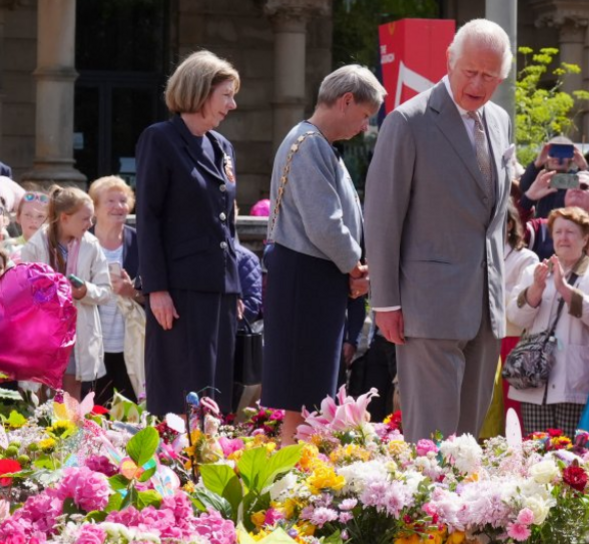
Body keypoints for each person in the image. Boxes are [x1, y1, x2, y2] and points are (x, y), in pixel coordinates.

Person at [365, 19, 513, 442]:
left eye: (490, 76)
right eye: (471, 71)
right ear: (449, 61)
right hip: (426, 307)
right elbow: (382, 216)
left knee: (468, 443)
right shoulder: (407, 122)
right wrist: (386, 303)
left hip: (485, 307)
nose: (478, 83)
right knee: (430, 442)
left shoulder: (499, 120)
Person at [263, 64, 384, 444]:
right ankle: (290, 484)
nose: (364, 126)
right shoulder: (310, 143)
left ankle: (299, 481)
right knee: (304, 400)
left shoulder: (315, 144)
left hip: (312, 277)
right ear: (346, 101)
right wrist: (355, 266)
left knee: (314, 395)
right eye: (364, 115)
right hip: (307, 278)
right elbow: (325, 222)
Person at [135, 50, 241, 417]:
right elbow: (148, 218)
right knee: (181, 386)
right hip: (179, 289)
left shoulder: (221, 146)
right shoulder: (160, 139)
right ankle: (174, 468)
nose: (233, 104)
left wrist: (236, 285)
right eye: (226, 94)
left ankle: (210, 463)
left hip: (221, 289)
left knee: (216, 390)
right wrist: (157, 288)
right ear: (200, 91)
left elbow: (229, 222)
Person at [506, 207, 589, 435]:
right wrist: (535, 289)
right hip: (533, 380)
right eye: (558, 232)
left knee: (572, 456)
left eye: (570, 232)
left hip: (573, 381)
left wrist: (564, 288)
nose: (563, 238)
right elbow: (514, 316)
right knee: (536, 454)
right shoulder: (536, 270)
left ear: (585, 238)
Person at [20, 186, 112, 398]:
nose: (90, 224)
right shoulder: (35, 245)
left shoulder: (91, 245)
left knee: (71, 395)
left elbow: (106, 291)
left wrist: (83, 292)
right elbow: (24, 291)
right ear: (65, 218)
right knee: (42, 392)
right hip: (43, 332)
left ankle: (72, 432)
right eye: (85, 218)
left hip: (77, 332)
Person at [87, 176, 145, 405]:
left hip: (130, 345)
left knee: (130, 410)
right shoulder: (81, 241)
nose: (118, 206)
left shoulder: (140, 242)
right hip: (91, 345)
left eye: (123, 200)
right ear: (95, 207)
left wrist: (132, 292)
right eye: (110, 200)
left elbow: (156, 292)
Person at [503, 200, 539, 425]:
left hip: (512, 341)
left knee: (510, 412)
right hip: (478, 338)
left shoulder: (526, 258)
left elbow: (517, 304)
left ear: (508, 224)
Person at [526, 170, 589, 261]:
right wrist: (528, 198)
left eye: (584, 187)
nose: (576, 189)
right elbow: (510, 233)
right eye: (572, 185)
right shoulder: (542, 227)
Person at [519, 136, 589, 219]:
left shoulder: (578, 178)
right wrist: (537, 164)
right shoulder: (540, 177)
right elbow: (524, 187)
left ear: (571, 156)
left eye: (563, 152)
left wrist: (585, 168)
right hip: (542, 226)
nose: (557, 157)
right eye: (553, 152)